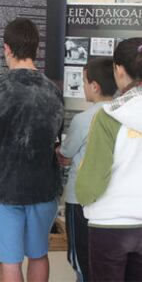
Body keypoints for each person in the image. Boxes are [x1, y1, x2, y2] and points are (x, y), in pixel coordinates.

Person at [0, 18, 64, 282]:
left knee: (10, 263)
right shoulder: (54, 92)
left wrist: (2, 135)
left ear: (7, 48)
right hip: (44, 188)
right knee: (38, 255)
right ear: (36, 49)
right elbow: (52, 138)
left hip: (4, 189)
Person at [76, 38, 142, 282]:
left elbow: (91, 181)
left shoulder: (109, 115)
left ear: (118, 70)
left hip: (109, 224)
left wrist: (83, 198)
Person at [56, 58, 117, 282]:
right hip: (109, 200)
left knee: (81, 259)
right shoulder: (122, 116)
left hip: (79, 199)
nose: (82, 86)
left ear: (95, 86)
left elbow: (67, 152)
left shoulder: (83, 119)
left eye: (84, 81)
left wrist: (62, 155)